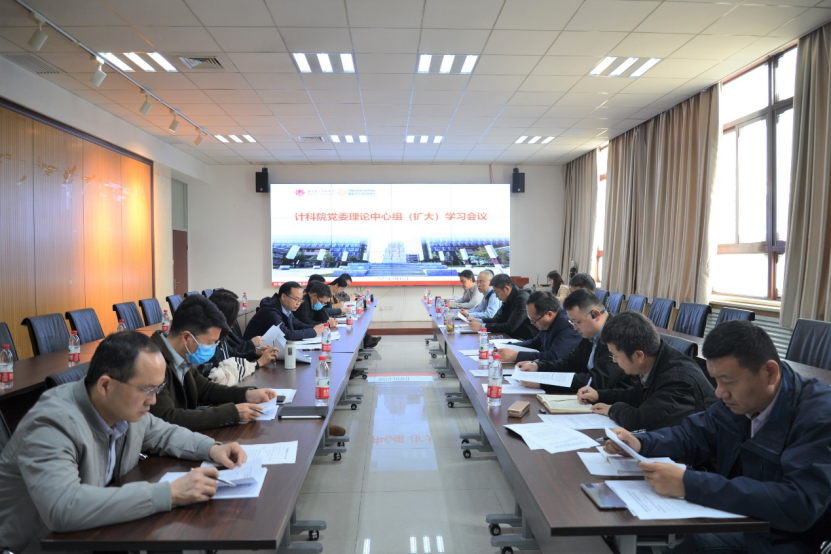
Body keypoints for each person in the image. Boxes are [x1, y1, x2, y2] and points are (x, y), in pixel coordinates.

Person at [0, 332, 248, 553]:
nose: (153, 401)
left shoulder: (124, 408)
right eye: (147, 390)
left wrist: (212, 448)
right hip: (41, 545)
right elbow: (64, 508)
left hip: (98, 533)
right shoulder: (51, 424)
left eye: (157, 389)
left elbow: (164, 433)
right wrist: (170, 493)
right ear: (105, 385)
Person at [605, 321, 831, 554]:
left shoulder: (819, 416)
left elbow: (799, 504)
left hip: (784, 539)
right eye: (716, 380)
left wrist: (689, 484)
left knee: (674, 542)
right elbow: (693, 434)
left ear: (770, 373)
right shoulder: (740, 400)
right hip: (742, 517)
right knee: (640, 529)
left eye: (728, 381)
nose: (719, 392)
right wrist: (642, 442)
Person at [150, 294, 276, 432]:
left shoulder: (181, 355)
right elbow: (167, 417)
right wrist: (231, 413)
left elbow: (205, 389)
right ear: (186, 337)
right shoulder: (151, 362)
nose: (213, 348)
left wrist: (247, 394)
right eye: (210, 343)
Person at [576, 310, 716, 431]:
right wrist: (599, 395)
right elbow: (635, 395)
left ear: (639, 355)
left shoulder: (677, 380)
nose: (614, 360)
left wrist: (612, 410)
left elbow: (641, 421)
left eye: (616, 356)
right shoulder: (656, 359)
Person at [516, 289, 634, 392]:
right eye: (572, 323)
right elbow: (570, 363)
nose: (574, 328)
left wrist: (544, 383)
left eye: (577, 322)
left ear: (595, 315)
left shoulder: (618, 337)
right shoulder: (590, 334)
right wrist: (538, 366)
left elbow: (596, 381)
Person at [197, 289, 279, 375]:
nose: (233, 324)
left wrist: (256, 353)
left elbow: (234, 356)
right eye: (233, 318)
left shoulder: (221, 337)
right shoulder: (209, 342)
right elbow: (223, 372)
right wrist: (258, 363)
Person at [496, 291, 582, 363]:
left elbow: (555, 356)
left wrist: (516, 356)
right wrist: (506, 347)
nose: (532, 323)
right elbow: (535, 342)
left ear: (549, 314)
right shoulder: (548, 321)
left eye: (534, 320)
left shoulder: (567, 324)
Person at [243, 281, 326, 342]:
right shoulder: (270, 311)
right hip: (252, 352)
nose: (298, 303)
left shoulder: (286, 308)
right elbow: (286, 334)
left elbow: (298, 324)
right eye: (296, 299)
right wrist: (314, 331)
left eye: (300, 300)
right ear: (283, 297)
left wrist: (318, 327)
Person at [467, 274, 536, 341]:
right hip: (512, 337)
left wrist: (482, 326)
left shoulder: (522, 299)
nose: (496, 296)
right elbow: (498, 319)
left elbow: (510, 327)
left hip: (525, 340)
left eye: (497, 292)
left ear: (506, 289)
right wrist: (479, 321)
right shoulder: (508, 298)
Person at [334, 273, 381, 348]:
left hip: (341, 310)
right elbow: (339, 299)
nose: (346, 287)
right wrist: (349, 298)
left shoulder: (340, 289)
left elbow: (345, 296)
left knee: (358, 320)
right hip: (336, 313)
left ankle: (367, 340)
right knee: (354, 321)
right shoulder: (334, 289)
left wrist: (349, 298)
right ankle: (366, 341)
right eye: (346, 284)